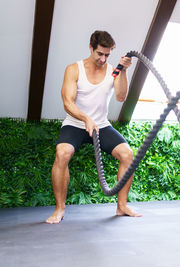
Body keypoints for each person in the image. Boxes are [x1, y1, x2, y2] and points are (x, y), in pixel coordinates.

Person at [46, 30, 141, 224]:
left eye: (107, 55)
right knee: (62, 153)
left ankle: (122, 206)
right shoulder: (74, 69)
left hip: (101, 125)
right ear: (91, 47)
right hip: (75, 123)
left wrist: (124, 70)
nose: (103, 59)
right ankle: (60, 209)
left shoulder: (113, 70)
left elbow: (121, 96)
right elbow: (67, 103)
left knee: (127, 155)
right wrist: (85, 118)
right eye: (100, 54)